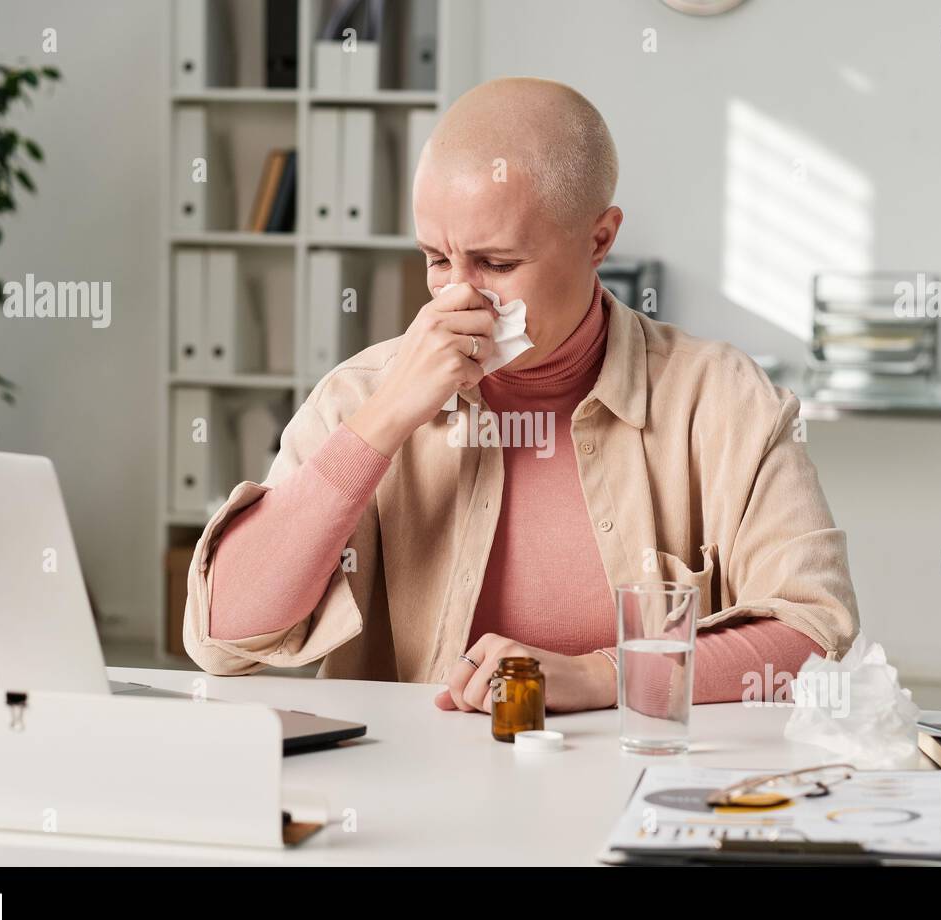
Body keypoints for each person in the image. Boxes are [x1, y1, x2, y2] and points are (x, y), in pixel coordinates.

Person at [183, 77, 859, 715]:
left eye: (498, 264)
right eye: (436, 259)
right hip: (415, 798)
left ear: (600, 239)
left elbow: (812, 633)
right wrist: (384, 420)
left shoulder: (723, 400)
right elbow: (223, 635)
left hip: (640, 794)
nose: (458, 296)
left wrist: (604, 675)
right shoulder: (363, 394)